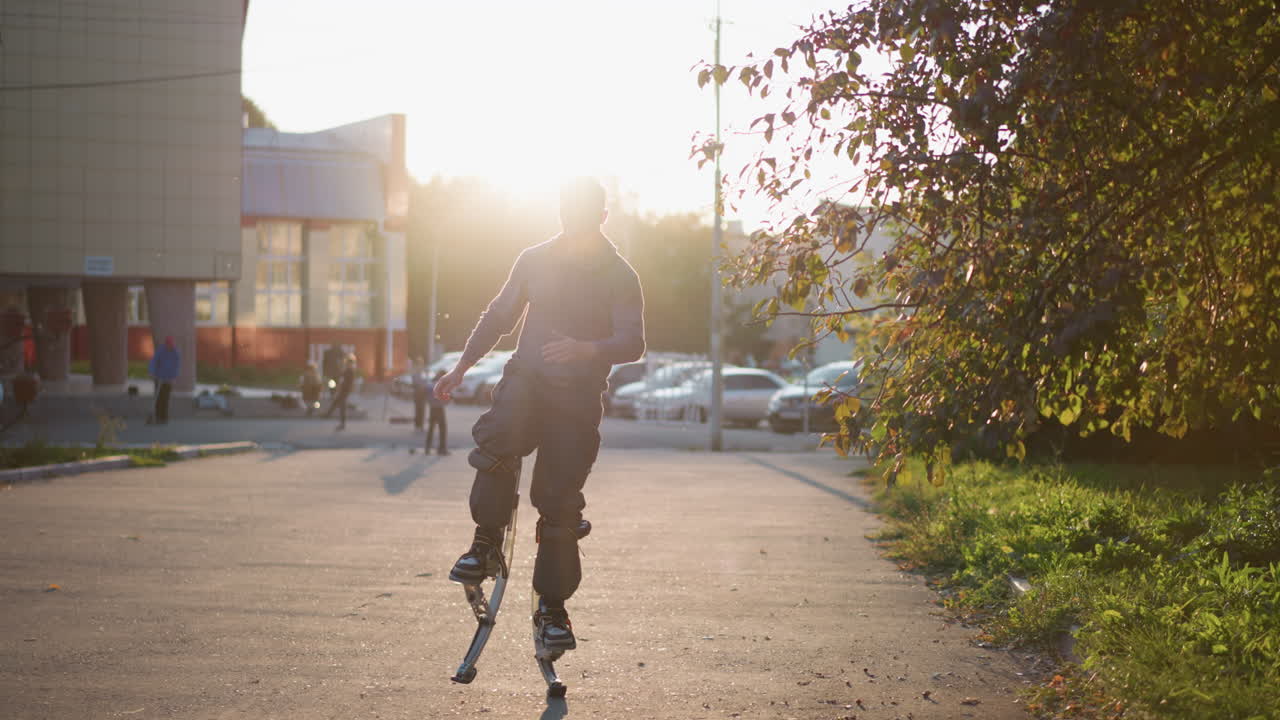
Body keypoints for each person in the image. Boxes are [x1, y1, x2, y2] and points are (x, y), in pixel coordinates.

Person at [434, 177, 645, 653]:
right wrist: (462, 366)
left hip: (577, 396)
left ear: (602, 217)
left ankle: (552, 609)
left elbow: (634, 341)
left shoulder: (620, 274)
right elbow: (499, 315)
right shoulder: (535, 259)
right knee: (499, 439)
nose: (574, 224)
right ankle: (485, 543)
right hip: (526, 378)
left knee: (558, 500)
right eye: (567, 213)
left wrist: (586, 349)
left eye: (584, 216)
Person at [147, 336, 180, 424]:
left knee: (165, 399)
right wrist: (152, 372)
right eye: (168, 344)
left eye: (170, 344)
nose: (169, 346)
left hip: (168, 379)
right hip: (159, 377)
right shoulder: (161, 351)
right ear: (166, 344)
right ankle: (157, 416)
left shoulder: (175, 353)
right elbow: (154, 361)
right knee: (158, 397)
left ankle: (164, 418)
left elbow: (176, 366)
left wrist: (174, 377)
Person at [324, 353, 357, 430]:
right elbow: (340, 376)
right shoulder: (347, 370)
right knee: (337, 403)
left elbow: (347, 381)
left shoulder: (350, 370)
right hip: (343, 390)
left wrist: (343, 386)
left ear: (350, 363)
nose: (347, 364)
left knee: (342, 406)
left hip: (345, 390)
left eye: (348, 362)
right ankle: (328, 415)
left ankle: (340, 422)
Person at [425, 369, 449, 455]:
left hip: (433, 408)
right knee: (442, 428)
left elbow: (427, 395)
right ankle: (442, 449)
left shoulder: (431, 382)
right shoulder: (439, 384)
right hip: (439, 408)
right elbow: (443, 397)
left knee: (431, 428)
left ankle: (427, 448)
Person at [412, 357, 430, 431]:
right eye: (419, 363)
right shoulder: (415, 372)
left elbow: (426, 381)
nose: (420, 365)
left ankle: (421, 425)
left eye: (421, 363)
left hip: (423, 392)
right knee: (417, 409)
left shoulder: (424, 372)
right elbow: (414, 382)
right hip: (417, 392)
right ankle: (417, 425)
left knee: (422, 409)